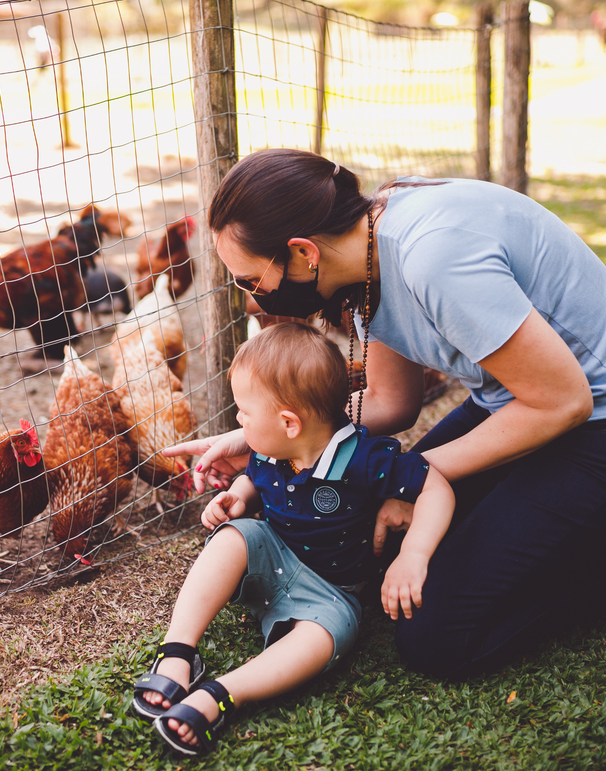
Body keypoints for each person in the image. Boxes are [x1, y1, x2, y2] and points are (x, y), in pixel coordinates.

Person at [164, 148, 606, 683]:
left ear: (303, 252)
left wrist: (424, 480)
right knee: (384, 542)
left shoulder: (431, 257)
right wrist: (259, 436)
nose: (253, 298)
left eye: (250, 281)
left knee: (436, 633)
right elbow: (390, 402)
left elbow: (565, 401)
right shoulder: (363, 254)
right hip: (522, 406)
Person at [134, 322, 453, 756]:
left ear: (288, 423)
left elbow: (437, 488)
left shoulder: (365, 458)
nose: (238, 422)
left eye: (243, 412)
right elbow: (257, 476)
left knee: (327, 636)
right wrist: (237, 496)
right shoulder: (270, 449)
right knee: (234, 537)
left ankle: (222, 694)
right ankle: (178, 652)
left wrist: (414, 554)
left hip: (332, 592)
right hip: (274, 553)